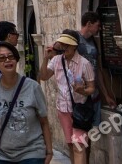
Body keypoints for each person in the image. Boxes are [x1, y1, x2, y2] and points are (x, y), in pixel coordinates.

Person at [0, 41, 53, 164]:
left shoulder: (33, 87)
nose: (7, 60)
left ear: (16, 59)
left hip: (32, 153)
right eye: (1, 58)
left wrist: (49, 151)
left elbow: (44, 121)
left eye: (11, 56)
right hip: (3, 156)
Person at [38, 31, 95, 164]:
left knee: (79, 146)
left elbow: (92, 87)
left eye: (67, 45)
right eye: (63, 45)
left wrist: (83, 91)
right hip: (63, 109)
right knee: (70, 144)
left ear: (74, 46)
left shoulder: (84, 63)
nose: (64, 48)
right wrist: (46, 58)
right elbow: (44, 76)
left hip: (80, 110)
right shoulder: (57, 60)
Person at [77, 12, 116, 128]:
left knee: (91, 132)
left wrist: (106, 95)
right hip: (80, 96)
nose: (99, 28)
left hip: (94, 95)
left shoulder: (94, 42)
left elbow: (97, 70)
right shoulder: (75, 39)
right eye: (97, 25)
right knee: (81, 133)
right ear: (89, 24)